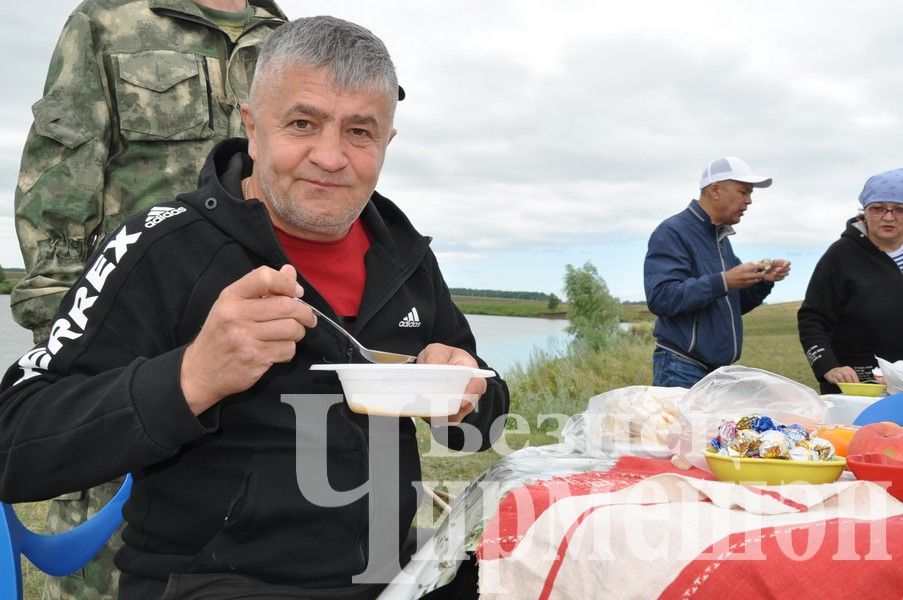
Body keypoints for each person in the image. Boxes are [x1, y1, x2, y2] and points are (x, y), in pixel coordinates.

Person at [0, 15, 509, 600]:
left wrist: (466, 397)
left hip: (390, 576)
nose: (330, 156)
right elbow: (15, 441)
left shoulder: (404, 254)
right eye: (302, 123)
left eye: (359, 132)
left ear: (386, 143)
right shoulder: (162, 247)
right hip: (214, 580)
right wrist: (191, 377)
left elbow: (485, 425)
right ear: (252, 127)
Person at [9, 2, 288, 597]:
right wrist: (68, 349)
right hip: (127, 352)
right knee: (104, 572)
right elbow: (57, 183)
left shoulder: (283, 38)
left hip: (254, 358)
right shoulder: (107, 21)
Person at [643, 156, 791, 388]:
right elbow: (662, 298)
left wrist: (763, 281)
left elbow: (733, 305)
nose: (749, 201)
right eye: (743, 192)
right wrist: (725, 281)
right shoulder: (672, 232)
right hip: (681, 368)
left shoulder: (719, 238)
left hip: (717, 374)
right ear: (715, 190)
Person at [798, 168, 903, 394]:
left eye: (899, 209)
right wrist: (828, 366)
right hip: (859, 386)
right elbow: (812, 318)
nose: (888, 216)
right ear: (863, 213)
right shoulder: (840, 256)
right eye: (878, 208)